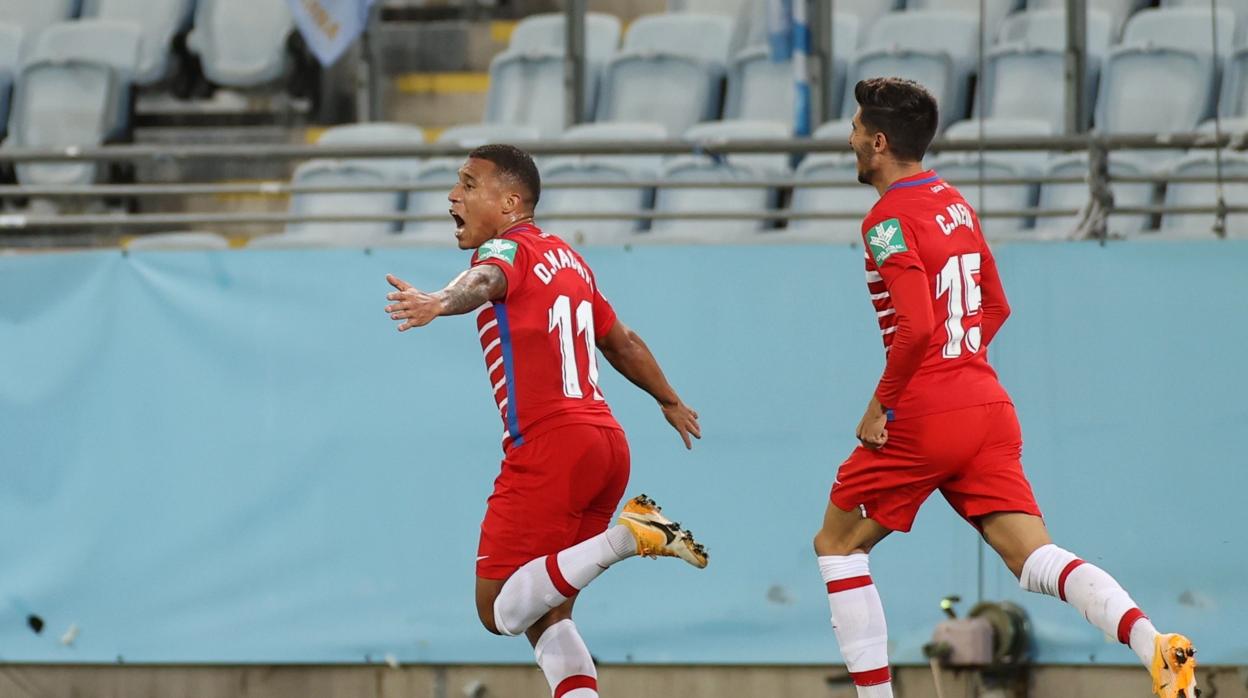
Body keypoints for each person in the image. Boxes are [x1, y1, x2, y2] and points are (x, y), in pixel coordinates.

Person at [813, 77, 1197, 698]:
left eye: (857, 129)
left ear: (878, 143)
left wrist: (881, 406)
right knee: (1034, 558)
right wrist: (960, 373)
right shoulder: (954, 202)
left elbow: (914, 328)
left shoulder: (886, 222)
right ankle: (1152, 641)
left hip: (923, 409)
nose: (850, 137)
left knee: (837, 547)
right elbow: (996, 305)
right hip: (986, 403)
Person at [383, 144, 708, 698]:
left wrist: (438, 300)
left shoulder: (505, 251)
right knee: (547, 615)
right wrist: (668, 398)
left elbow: (484, 281)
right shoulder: (569, 258)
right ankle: (629, 541)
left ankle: (630, 536)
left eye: (467, 183)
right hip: (606, 443)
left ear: (510, 202)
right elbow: (620, 340)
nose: (452, 195)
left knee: (499, 609)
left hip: (551, 444)